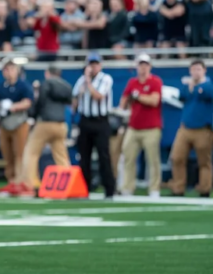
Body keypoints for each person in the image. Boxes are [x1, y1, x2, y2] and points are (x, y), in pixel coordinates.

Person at [22, 65, 73, 196]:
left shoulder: (46, 84)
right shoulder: (66, 86)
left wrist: (32, 115)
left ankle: (32, 184)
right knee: (61, 156)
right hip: (61, 125)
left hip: (45, 123)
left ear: (47, 73)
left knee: (31, 153)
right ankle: (67, 184)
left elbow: (41, 102)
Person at [119, 53, 163, 197]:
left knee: (153, 160)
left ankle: (154, 189)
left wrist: (138, 96)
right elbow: (123, 102)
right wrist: (127, 101)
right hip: (133, 126)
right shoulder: (132, 82)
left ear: (149, 66)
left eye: (145, 65)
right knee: (128, 157)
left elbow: (154, 101)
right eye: (140, 65)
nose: (143, 68)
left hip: (151, 127)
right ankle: (127, 187)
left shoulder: (155, 81)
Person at [72, 53, 115, 197]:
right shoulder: (81, 80)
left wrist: (88, 82)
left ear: (100, 65)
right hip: (85, 120)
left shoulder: (106, 79)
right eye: (90, 64)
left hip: (100, 121)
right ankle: (85, 188)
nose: (93, 67)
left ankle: (109, 189)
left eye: (95, 64)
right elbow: (75, 99)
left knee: (104, 156)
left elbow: (98, 96)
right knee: (84, 156)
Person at [168, 60, 212, 197]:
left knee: (204, 161)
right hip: (185, 128)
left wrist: (196, 86)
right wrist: (191, 86)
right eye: (193, 69)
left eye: (198, 69)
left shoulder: (208, 85)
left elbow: (206, 93)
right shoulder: (188, 86)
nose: (195, 72)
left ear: (204, 71)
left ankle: (205, 189)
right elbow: (181, 97)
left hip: (203, 129)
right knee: (177, 158)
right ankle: (178, 188)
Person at [0, 59, 33, 194]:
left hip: (19, 122)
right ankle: (11, 180)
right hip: (5, 123)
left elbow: (28, 102)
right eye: (6, 70)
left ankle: (21, 181)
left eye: (12, 69)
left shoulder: (23, 86)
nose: (9, 72)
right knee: (7, 153)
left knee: (19, 153)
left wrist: (13, 107)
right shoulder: (1, 86)